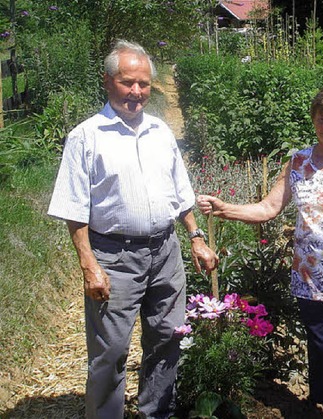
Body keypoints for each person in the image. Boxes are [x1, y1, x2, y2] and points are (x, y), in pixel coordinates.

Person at [196, 83, 323, 419]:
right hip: (311, 285)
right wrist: (224, 208)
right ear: (314, 120)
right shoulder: (299, 161)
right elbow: (268, 208)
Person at [47, 40, 218, 419]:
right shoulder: (86, 137)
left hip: (165, 252)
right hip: (114, 256)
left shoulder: (160, 132)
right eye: (128, 82)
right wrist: (89, 264)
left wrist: (196, 237)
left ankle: (156, 412)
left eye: (143, 84)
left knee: (167, 338)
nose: (137, 92)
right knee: (110, 350)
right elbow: (74, 209)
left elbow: (180, 192)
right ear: (108, 82)